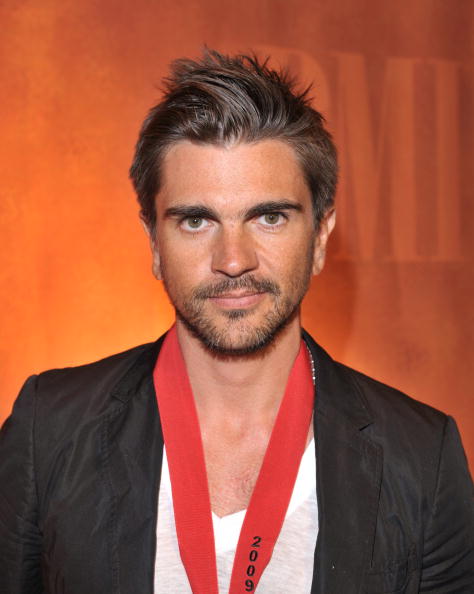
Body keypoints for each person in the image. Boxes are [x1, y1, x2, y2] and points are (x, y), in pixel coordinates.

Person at [0, 50, 472, 594]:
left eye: (269, 217)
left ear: (320, 237)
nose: (233, 259)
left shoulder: (422, 456)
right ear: (154, 242)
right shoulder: (48, 430)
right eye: (196, 221)